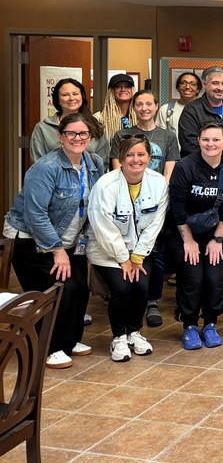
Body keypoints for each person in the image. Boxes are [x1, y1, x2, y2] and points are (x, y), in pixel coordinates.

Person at [4, 113, 102, 369]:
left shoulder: (95, 163)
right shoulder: (45, 168)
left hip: (71, 239)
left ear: (90, 137)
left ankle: (70, 341)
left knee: (80, 288)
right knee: (61, 289)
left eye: (83, 133)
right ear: (60, 137)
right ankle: (51, 347)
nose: (77, 138)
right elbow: (35, 215)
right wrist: (57, 251)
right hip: (32, 241)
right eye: (71, 133)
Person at [87, 136, 168, 361]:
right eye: (129, 155)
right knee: (122, 287)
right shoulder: (106, 185)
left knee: (141, 286)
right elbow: (102, 227)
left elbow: (155, 224)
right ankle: (119, 338)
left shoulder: (159, 183)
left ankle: (134, 333)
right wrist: (123, 258)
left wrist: (138, 256)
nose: (135, 159)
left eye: (141, 154)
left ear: (149, 158)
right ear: (121, 159)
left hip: (139, 249)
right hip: (106, 250)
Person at [167, 123, 223, 350]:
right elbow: (177, 208)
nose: (211, 144)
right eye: (206, 139)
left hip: (214, 234)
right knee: (193, 279)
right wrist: (188, 241)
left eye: (216, 139)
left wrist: (218, 239)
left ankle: (210, 323)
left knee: (213, 279)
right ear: (198, 141)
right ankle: (189, 325)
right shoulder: (185, 166)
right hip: (183, 232)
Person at [110, 89, 180, 328]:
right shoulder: (122, 135)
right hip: (125, 202)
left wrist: (159, 199)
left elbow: (169, 170)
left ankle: (152, 301)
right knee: (125, 249)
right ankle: (127, 296)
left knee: (155, 253)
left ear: (156, 106)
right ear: (134, 107)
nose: (144, 108)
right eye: (139, 104)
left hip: (156, 203)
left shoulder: (167, 136)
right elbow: (116, 168)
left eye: (149, 104)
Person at [30, 78, 110, 163]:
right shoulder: (43, 128)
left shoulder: (95, 125)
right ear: (58, 100)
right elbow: (37, 163)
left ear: (82, 97)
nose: (71, 98)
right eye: (65, 95)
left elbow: (102, 162)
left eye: (75, 94)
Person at [96, 73, 138, 154]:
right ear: (111, 91)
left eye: (127, 86)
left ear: (132, 90)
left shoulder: (139, 116)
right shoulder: (99, 118)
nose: (123, 89)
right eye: (118, 86)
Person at [156, 72, 202, 143]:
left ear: (198, 89)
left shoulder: (204, 110)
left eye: (192, 84)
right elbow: (160, 138)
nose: (187, 87)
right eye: (183, 83)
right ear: (177, 88)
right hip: (173, 150)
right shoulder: (165, 110)